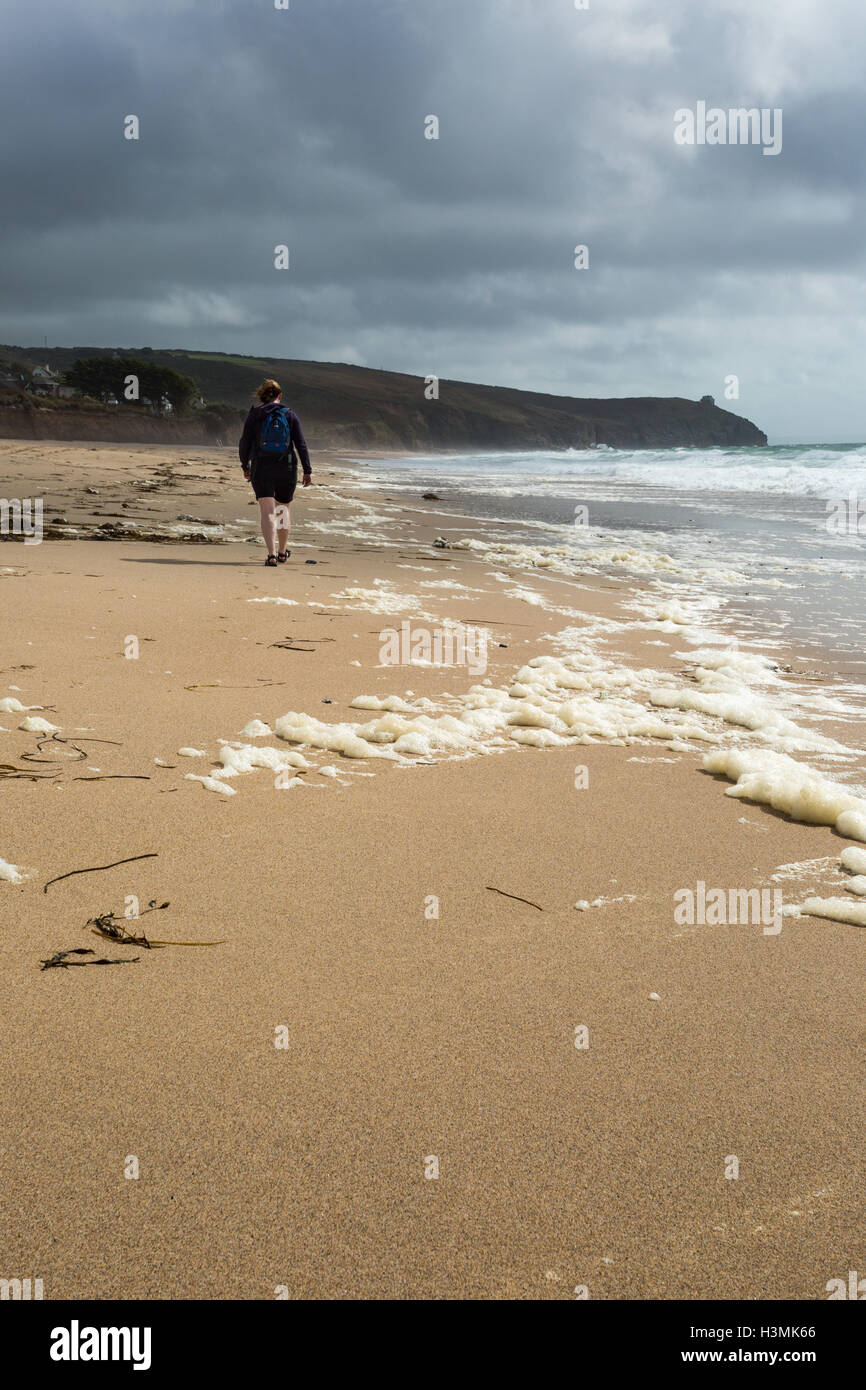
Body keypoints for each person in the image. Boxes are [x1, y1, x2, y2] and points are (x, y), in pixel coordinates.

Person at [239, 379, 312, 566]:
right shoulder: (290, 415)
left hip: (262, 466)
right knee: (282, 510)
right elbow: (301, 445)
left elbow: (245, 442)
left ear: (262, 396)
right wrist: (307, 470)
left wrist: (245, 465)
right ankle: (281, 552)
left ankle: (271, 555)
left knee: (267, 512)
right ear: (280, 396)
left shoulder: (255, 415)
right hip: (286, 467)